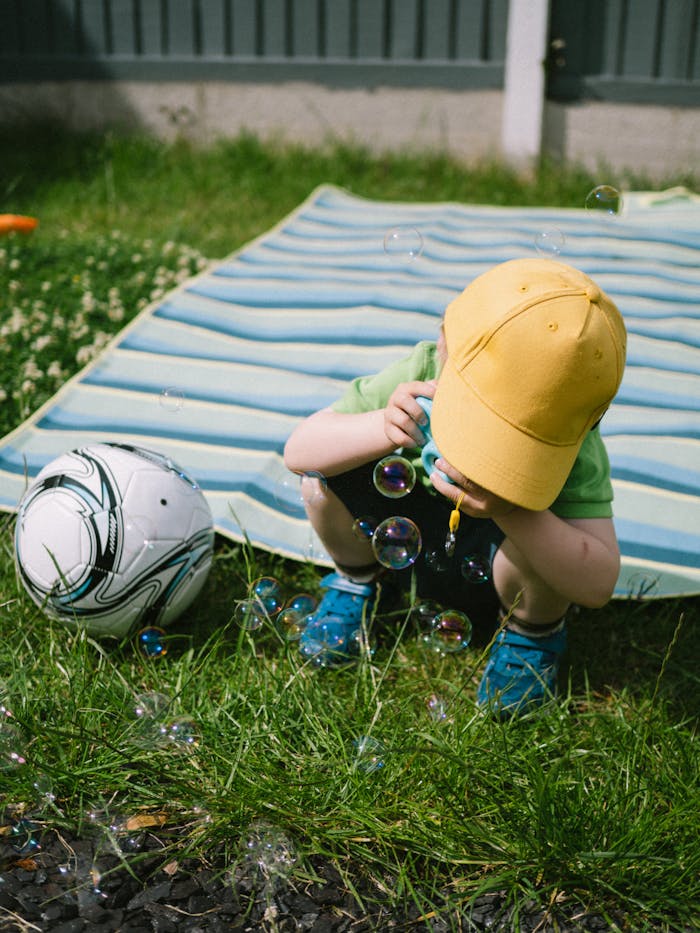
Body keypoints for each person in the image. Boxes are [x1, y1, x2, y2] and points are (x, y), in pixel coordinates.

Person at [283, 258, 627, 717]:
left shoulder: (573, 445)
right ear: (444, 344)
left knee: (556, 534)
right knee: (321, 480)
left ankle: (532, 634)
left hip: (502, 566)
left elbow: (597, 583)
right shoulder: (423, 370)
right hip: (408, 538)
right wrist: (384, 427)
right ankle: (357, 581)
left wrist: (511, 508)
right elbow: (299, 450)